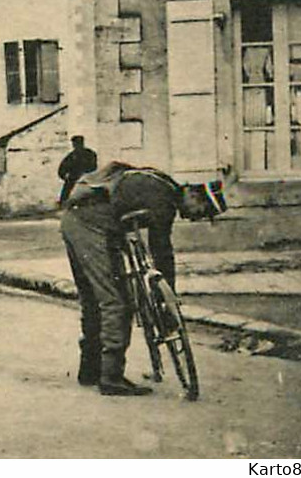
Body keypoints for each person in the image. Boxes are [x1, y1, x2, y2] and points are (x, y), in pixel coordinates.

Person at [60, 162, 225, 395]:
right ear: (194, 195)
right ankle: (111, 377)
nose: (197, 218)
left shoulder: (161, 182)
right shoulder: (164, 201)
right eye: (203, 211)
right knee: (117, 301)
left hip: (76, 219)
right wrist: (169, 298)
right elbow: (162, 252)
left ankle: (90, 370)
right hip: (91, 227)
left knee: (92, 299)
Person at [57, 135, 98, 207]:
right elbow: (62, 168)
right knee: (68, 185)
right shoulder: (71, 156)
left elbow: (94, 166)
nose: (77, 146)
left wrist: (86, 172)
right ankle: (63, 202)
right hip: (74, 177)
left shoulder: (89, 153)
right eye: (75, 144)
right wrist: (64, 176)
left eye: (79, 143)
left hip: (89, 176)